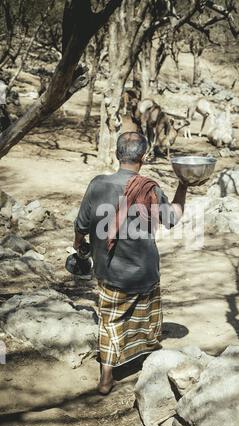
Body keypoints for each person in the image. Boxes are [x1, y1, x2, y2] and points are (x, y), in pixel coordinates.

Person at [74, 132, 193, 395]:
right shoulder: (150, 188)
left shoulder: (97, 185)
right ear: (144, 157)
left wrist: (78, 243)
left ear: (117, 155)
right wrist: (183, 186)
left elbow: (81, 225)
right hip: (144, 271)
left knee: (110, 322)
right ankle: (144, 358)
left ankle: (106, 379)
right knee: (147, 319)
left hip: (110, 271)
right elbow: (172, 219)